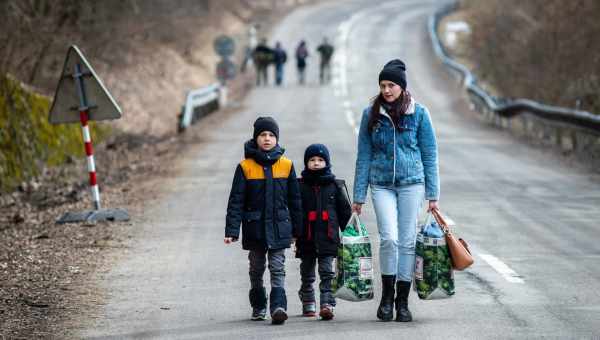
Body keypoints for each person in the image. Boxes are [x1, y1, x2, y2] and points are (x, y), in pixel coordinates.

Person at [352, 59, 440, 322]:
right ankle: (386, 298)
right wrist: (358, 196)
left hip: (412, 183)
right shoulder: (371, 114)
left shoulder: (420, 113)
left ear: (402, 86)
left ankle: (403, 302)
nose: (387, 90)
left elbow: (429, 153)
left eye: (391, 85)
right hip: (381, 184)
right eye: (382, 85)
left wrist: (433, 195)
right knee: (389, 238)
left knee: (408, 240)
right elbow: (363, 156)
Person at [225, 117, 303, 325]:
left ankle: (278, 307)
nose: (267, 138)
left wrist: (298, 229)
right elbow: (236, 200)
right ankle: (259, 305)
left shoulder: (286, 166)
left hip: (279, 227)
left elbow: (295, 201)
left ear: (277, 138)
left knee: (277, 266)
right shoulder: (245, 167)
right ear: (256, 138)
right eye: (263, 135)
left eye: (271, 135)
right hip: (255, 229)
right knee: (256, 267)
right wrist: (232, 230)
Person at [295, 144, 351, 320]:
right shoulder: (300, 185)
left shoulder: (335, 185)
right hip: (307, 238)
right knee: (307, 272)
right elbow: (294, 211)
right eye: (312, 160)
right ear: (306, 163)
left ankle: (327, 303)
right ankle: (308, 300)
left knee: (327, 272)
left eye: (320, 160)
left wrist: (349, 233)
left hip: (328, 237)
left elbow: (344, 213)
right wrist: (293, 233)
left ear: (327, 162)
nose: (316, 163)